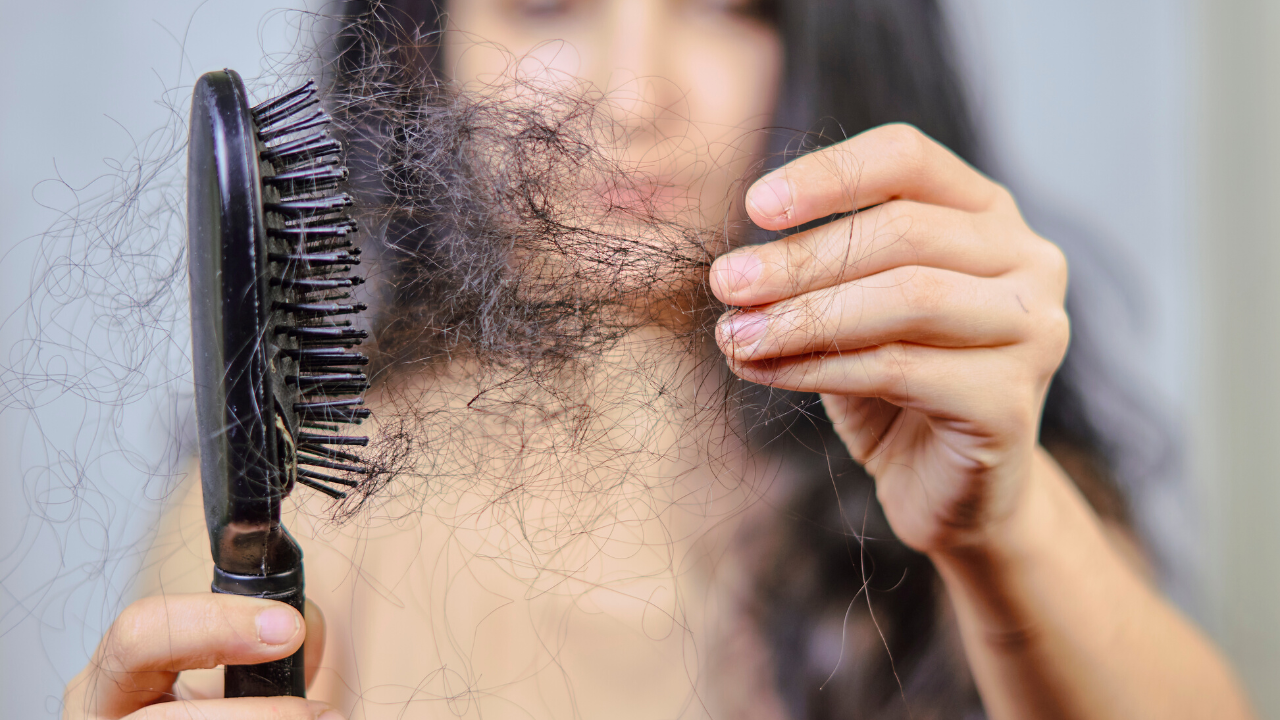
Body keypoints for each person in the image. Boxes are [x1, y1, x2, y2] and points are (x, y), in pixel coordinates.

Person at [62, 1, 1256, 718]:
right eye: (543, 0)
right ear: (422, 48)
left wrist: (1002, 530)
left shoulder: (970, 488)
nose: (635, 97)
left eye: (725, 0)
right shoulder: (304, 520)